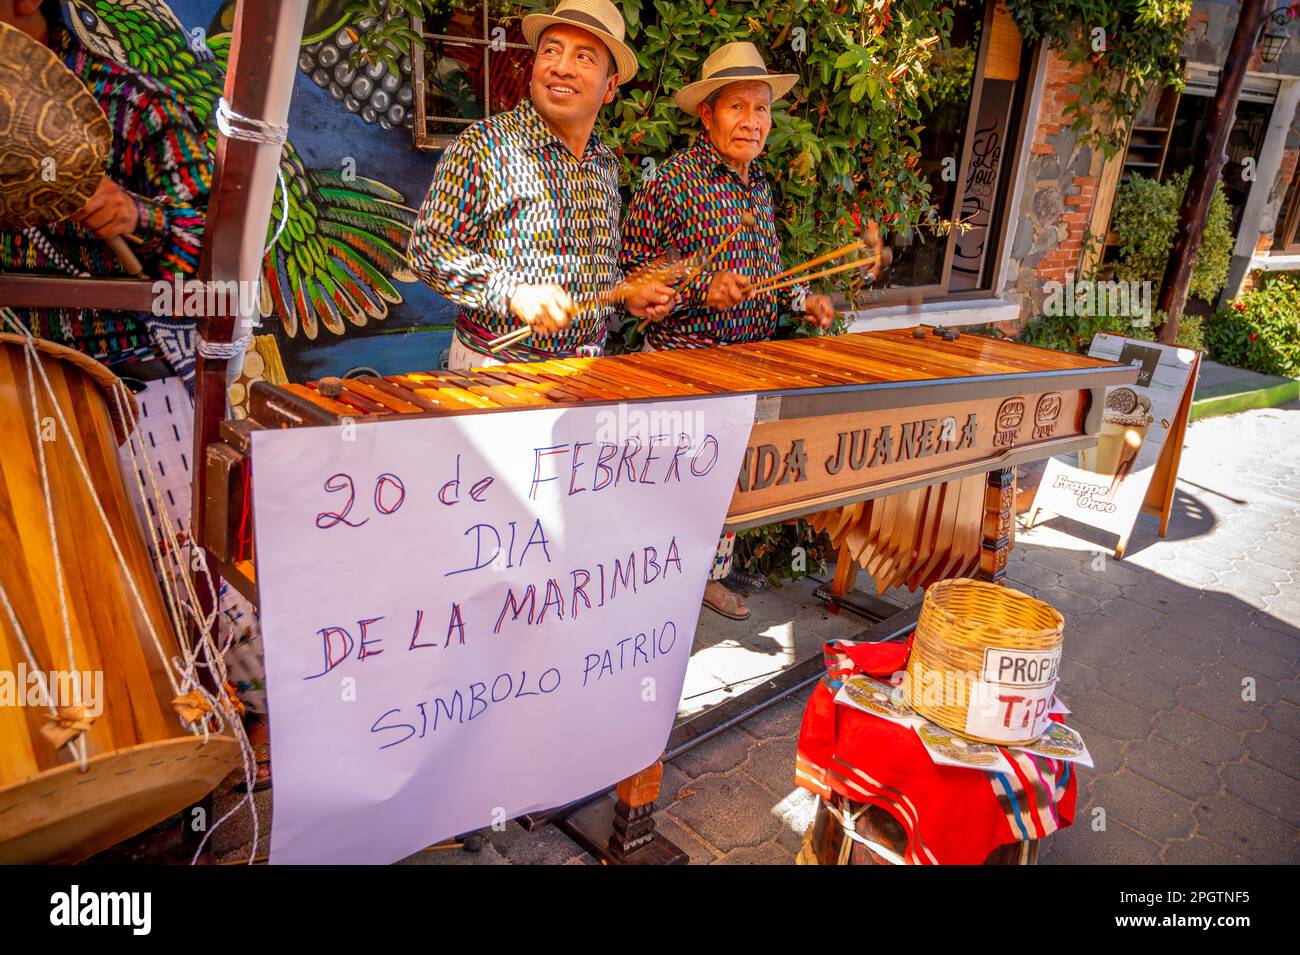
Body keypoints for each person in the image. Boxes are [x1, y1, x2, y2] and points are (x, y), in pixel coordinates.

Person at [621, 41, 839, 621]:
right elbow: (633, 281)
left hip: (749, 366)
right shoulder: (668, 183)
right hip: (681, 368)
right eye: (737, 107)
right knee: (672, 491)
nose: (752, 121)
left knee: (727, 491)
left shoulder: (759, 188)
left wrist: (803, 298)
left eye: (761, 109)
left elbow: (765, 277)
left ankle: (707, 581)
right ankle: (649, 594)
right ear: (707, 114)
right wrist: (700, 289)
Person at [407, 0, 674, 369]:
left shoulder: (604, 165)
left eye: (584, 58)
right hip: (497, 366)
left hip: (585, 369)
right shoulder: (484, 146)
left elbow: (595, 268)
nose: (562, 68)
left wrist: (626, 294)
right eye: (551, 50)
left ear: (610, 87)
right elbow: (428, 248)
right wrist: (512, 293)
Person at [0, 0, 208, 389]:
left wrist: (135, 215)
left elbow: (218, 252)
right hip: (9, 384)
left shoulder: (137, 105)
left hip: (127, 387)